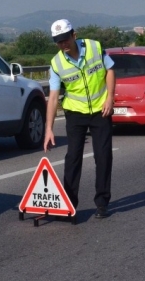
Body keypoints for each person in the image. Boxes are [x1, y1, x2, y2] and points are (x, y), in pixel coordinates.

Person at [44, 19, 116, 219]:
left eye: (65, 39)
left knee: (103, 156)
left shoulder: (94, 47)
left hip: (100, 110)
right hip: (75, 113)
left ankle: (102, 203)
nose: (63, 44)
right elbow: (53, 97)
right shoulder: (56, 63)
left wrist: (110, 98)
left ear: (74, 35)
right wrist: (49, 128)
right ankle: (69, 205)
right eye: (58, 41)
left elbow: (110, 70)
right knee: (72, 158)